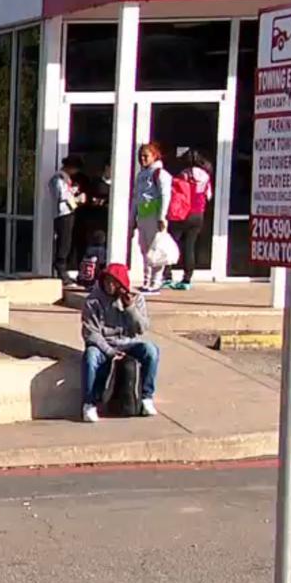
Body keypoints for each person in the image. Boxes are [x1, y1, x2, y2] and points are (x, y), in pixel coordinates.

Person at [80, 263, 160, 424]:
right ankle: (89, 403)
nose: (109, 286)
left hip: (128, 343)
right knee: (90, 357)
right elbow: (90, 333)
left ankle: (146, 397)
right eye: (107, 281)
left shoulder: (136, 299)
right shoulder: (93, 301)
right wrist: (109, 351)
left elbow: (141, 328)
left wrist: (130, 308)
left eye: (114, 282)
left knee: (151, 351)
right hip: (104, 344)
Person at [166, 151, 214, 291]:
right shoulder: (206, 176)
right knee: (190, 246)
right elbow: (209, 196)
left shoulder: (184, 174)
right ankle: (187, 279)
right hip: (198, 214)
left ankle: (167, 274)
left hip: (182, 212)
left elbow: (176, 192)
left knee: (172, 243)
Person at [132, 143, 172, 295]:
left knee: (155, 250)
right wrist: (132, 219)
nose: (142, 159)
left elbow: (165, 195)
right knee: (144, 249)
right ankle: (146, 281)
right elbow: (136, 198)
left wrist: (162, 216)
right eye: (140, 156)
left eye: (146, 156)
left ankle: (156, 282)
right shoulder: (141, 175)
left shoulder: (160, 174)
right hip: (143, 215)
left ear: (154, 156)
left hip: (154, 216)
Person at [49, 155, 86, 285]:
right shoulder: (58, 179)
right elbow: (62, 196)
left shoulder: (66, 179)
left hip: (69, 212)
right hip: (62, 214)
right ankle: (61, 269)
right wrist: (77, 198)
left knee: (67, 241)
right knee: (63, 242)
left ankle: (63, 269)